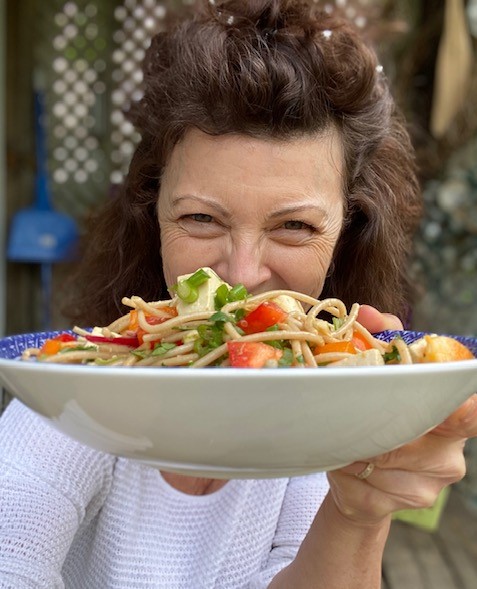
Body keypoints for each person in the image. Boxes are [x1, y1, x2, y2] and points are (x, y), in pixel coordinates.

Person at [1, 1, 476, 587]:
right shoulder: (77, 391)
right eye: (201, 218)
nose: (243, 274)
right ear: (152, 213)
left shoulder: (337, 401)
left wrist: (360, 509)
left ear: (347, 232)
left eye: (294, 226)